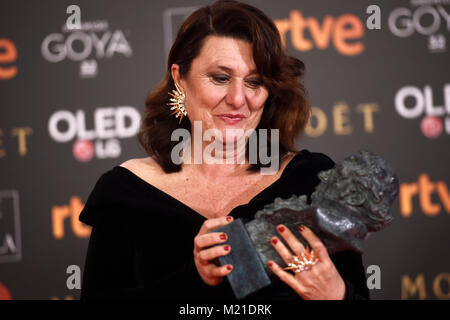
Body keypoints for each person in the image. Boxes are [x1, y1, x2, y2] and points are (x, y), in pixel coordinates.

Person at [79, 0, 370, 300]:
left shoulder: (312, 180)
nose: (238, 98)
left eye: (255, 81)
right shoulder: (126, 193)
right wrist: (195, 279)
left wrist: (337, 296)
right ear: (180, 78)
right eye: (220, 78)